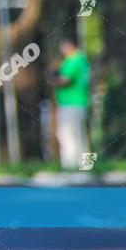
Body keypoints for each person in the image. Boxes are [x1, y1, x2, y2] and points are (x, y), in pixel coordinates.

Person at [50, 38, 91, 169]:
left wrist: (53, 80)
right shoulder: (81, 60)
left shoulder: (74, 60)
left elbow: (65, 80)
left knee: (67, 135)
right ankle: (85, 166)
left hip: (71, 103)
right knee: (79, 134)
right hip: (77, 102)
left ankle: (70, 165)